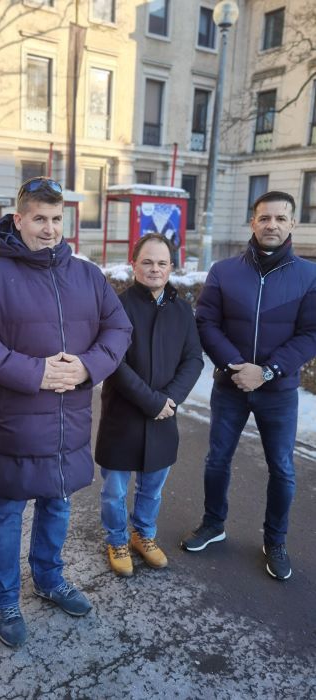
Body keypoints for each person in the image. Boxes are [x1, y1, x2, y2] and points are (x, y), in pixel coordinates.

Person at [0, 176, 131, 648]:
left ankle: (49, 579)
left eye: (56, 219)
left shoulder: (87, 276)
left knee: (58, 503)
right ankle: (5, 600)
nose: (49, 229)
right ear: (19, 220)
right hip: (13, 421)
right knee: (6, 512)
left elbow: (119, 328)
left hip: (70, 421)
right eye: (39, 219)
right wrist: (36, 372)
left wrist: (88, 366)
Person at [181, 191, 316, 581]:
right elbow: (206, 323)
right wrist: (235, 366)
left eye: (280, 218)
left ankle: (275, 541)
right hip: (231, 386)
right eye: (264, 218)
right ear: (253, 222)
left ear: (292, 224)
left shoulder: (309, 275)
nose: (272, 224)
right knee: (217, 460)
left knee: (282, 469)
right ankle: (213, 523)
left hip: (278, 391)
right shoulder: (224, 271)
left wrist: (267, 371)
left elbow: (310, 334)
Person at [95, 234, 203, 577]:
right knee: (114, 490)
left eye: (162, 263)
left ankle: (143, 534)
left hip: (164, 415)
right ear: (134, 265)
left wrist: (170, 399)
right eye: (147, 262)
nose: (155, 269)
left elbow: (194, 360)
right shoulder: (117, 307)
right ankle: (116, 539)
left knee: (152, 488)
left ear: (171, 267)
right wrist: (152, 401)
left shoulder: (182, 310)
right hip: (123, 415)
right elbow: (114, 362)